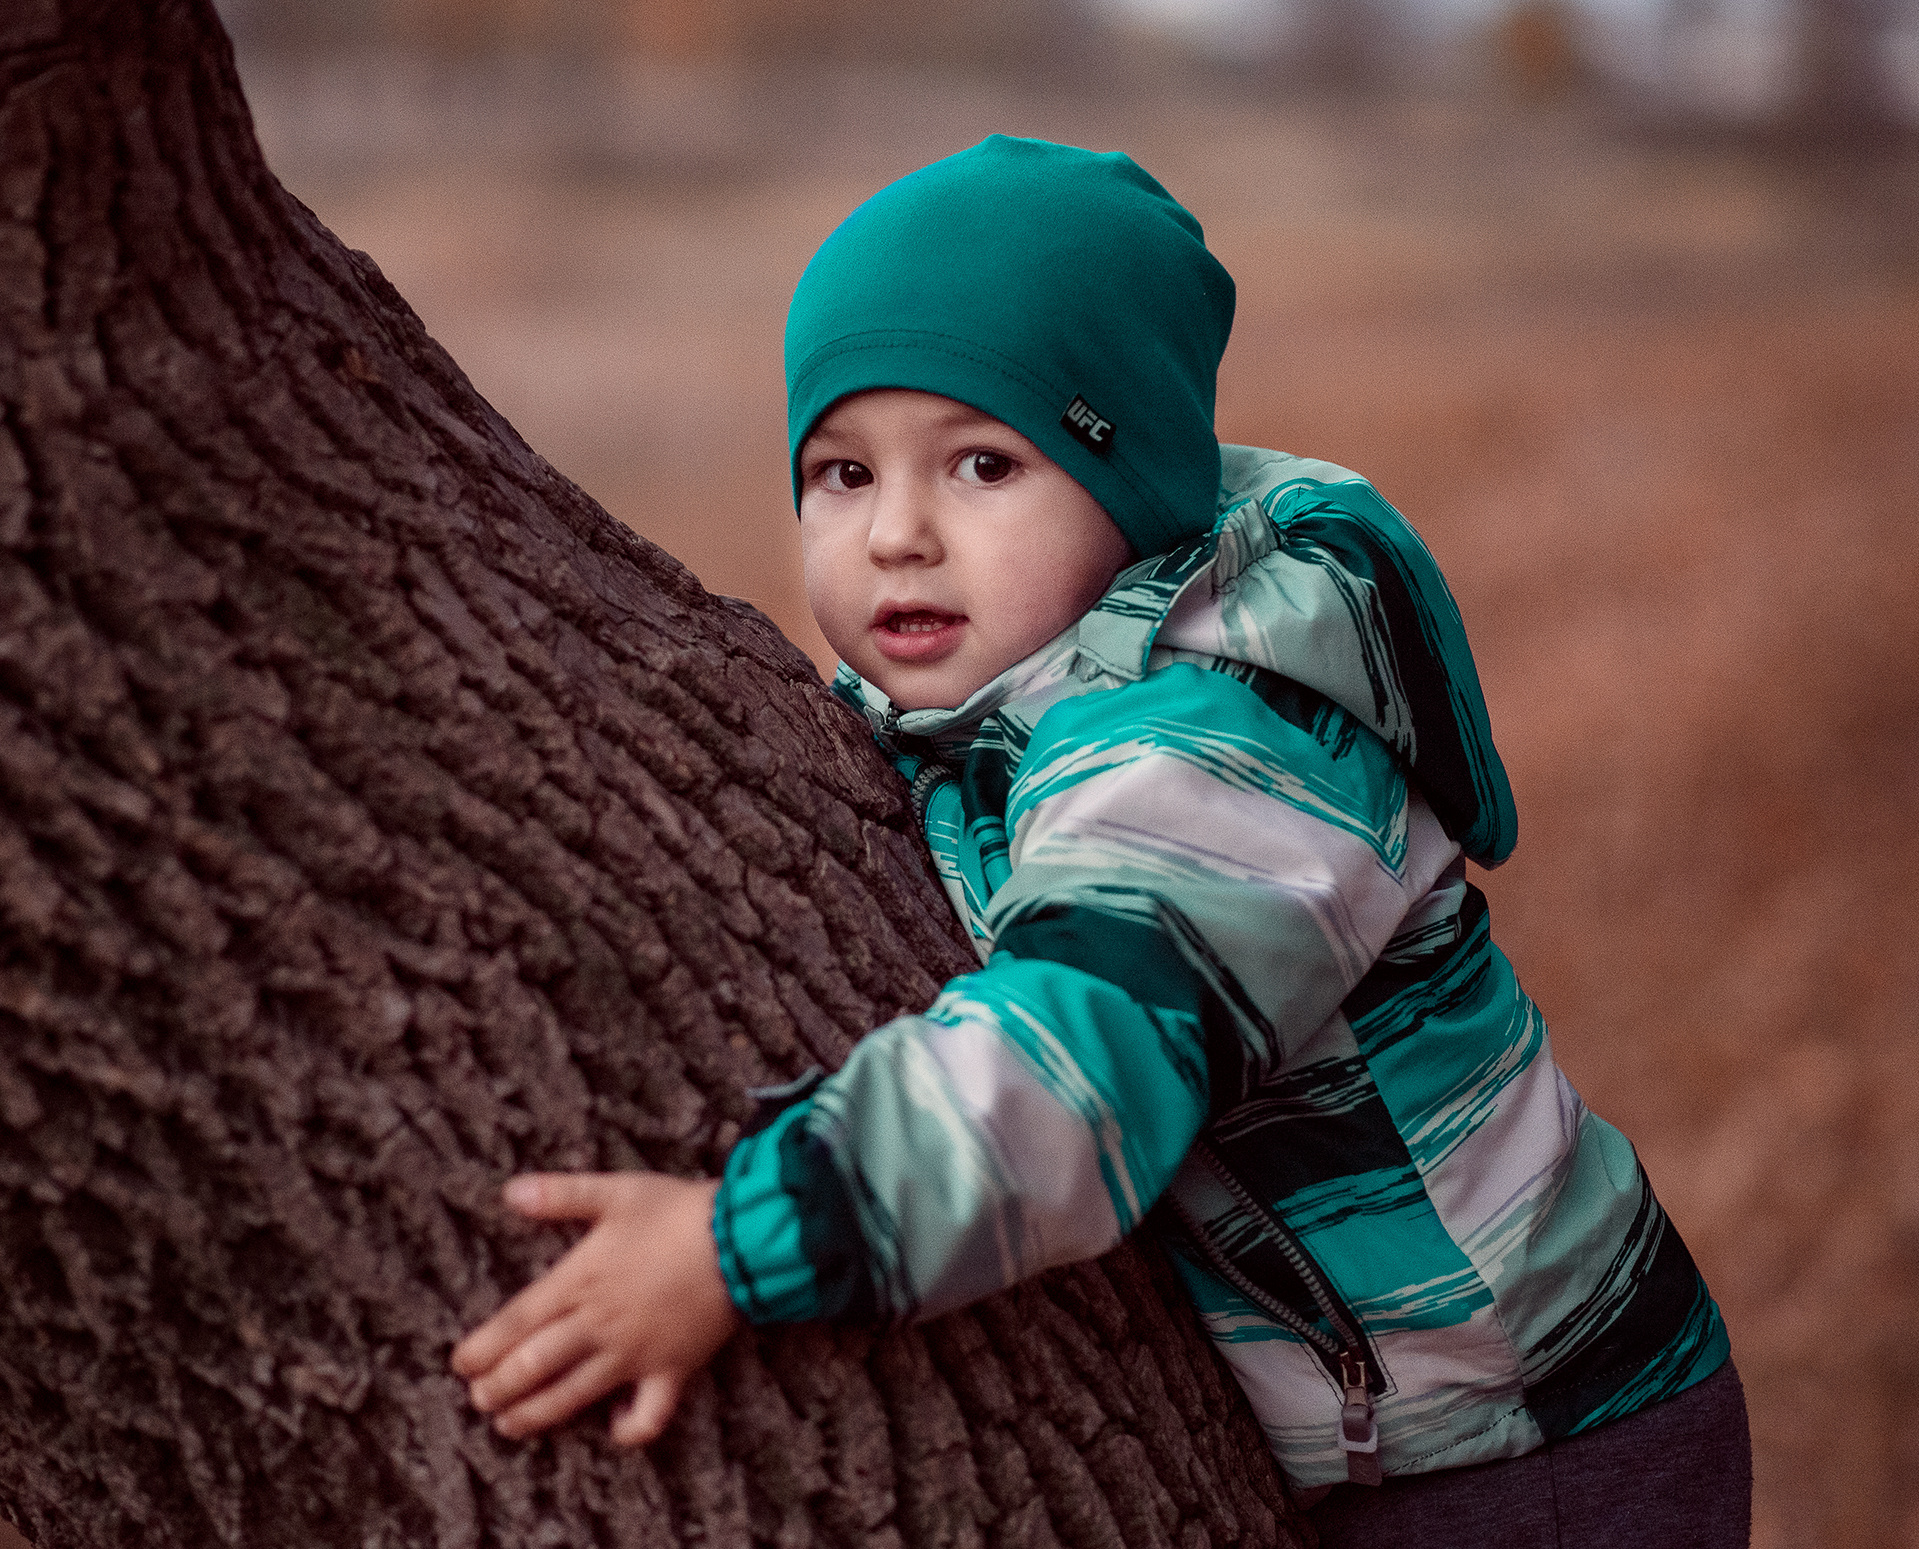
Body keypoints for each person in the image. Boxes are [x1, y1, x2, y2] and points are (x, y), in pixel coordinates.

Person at [453, 135, 1752, 1545]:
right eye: (840, 472)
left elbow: (1073, 1073)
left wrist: (738, 1244)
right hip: (1406, 1437)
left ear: (1126, 486)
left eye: (983, 463)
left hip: (1536, 1442)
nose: (898, 533)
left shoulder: (1217, 742)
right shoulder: (1000, 705)